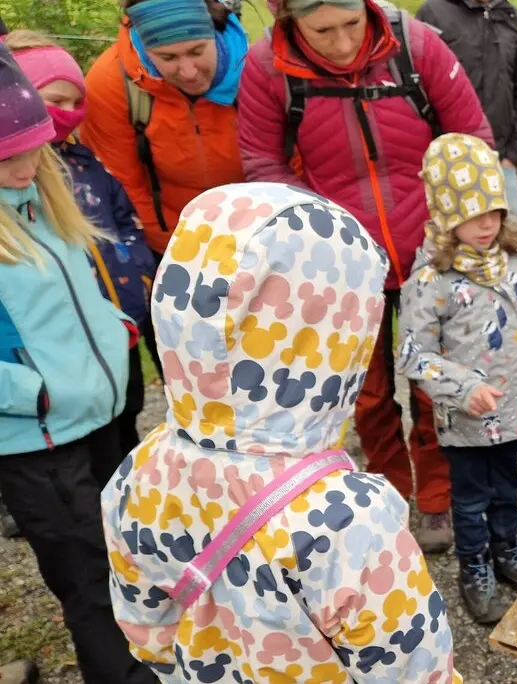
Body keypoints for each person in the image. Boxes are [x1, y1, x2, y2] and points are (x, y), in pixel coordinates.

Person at [102, 182, 461, 682]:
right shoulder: (347, 519)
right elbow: (415, 671)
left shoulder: (137, 473)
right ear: (340, 336)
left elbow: (145, 632)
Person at [239, 0, 494, 554]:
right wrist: (322, 237)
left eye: (351, 24)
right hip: (342, 266)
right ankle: (390, 494)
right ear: (289, 20)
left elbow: (473, 142)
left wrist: (454, 232)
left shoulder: (418, 45)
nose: (341, 42)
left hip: (433, 257)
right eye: (322, 30)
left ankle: (435, 498)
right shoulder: (268, 69)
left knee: (433, 387)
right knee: (368, 394)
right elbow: (263, 166)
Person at [0, 43, 153, 684]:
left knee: (127, 556)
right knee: (89, 582)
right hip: (37, 441)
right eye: (10, 157)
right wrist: (35, 392)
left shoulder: (41, 199)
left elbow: (78, 288)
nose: (31, 165)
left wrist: (114, 327)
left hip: (96, 416)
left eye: (36, 147)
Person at [397, 133, 517, 624]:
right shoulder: (432, 281)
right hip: (467, 419)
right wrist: (463, 387)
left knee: (507, 484)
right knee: (470, 497)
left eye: (494, 212)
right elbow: (413, 353)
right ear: (447, 216)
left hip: (514, 409)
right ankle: (474, 566)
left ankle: (507, 549)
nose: (487, 224)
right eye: (473, 215)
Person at [10, 30, 157, 463]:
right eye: (56, 101)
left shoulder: (87, 161)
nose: (70, 114)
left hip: (117, 323)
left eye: (77, 102)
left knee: (125, 410)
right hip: (60, 344)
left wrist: (139, 277)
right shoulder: (25, 179)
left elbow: (125, 221)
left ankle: (127, 492)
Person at [81, 0, 248, 380]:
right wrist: (183, 260)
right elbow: (125, 190)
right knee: (186, 368)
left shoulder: (252, 69)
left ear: (216, 33)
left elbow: (281, 158)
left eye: (196, 51)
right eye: (167, 58)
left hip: (254, 237)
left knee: (261, 355)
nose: (188, 71)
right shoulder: (111, 82)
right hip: (168, 243)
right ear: (143, 46)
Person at [415, 0, 517, 227]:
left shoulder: (513, 19)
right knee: (445, 245)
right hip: (446, 164)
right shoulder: (433, 13)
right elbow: (416, 88)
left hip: (499, 161)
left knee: (516, 244)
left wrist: (513, 152)